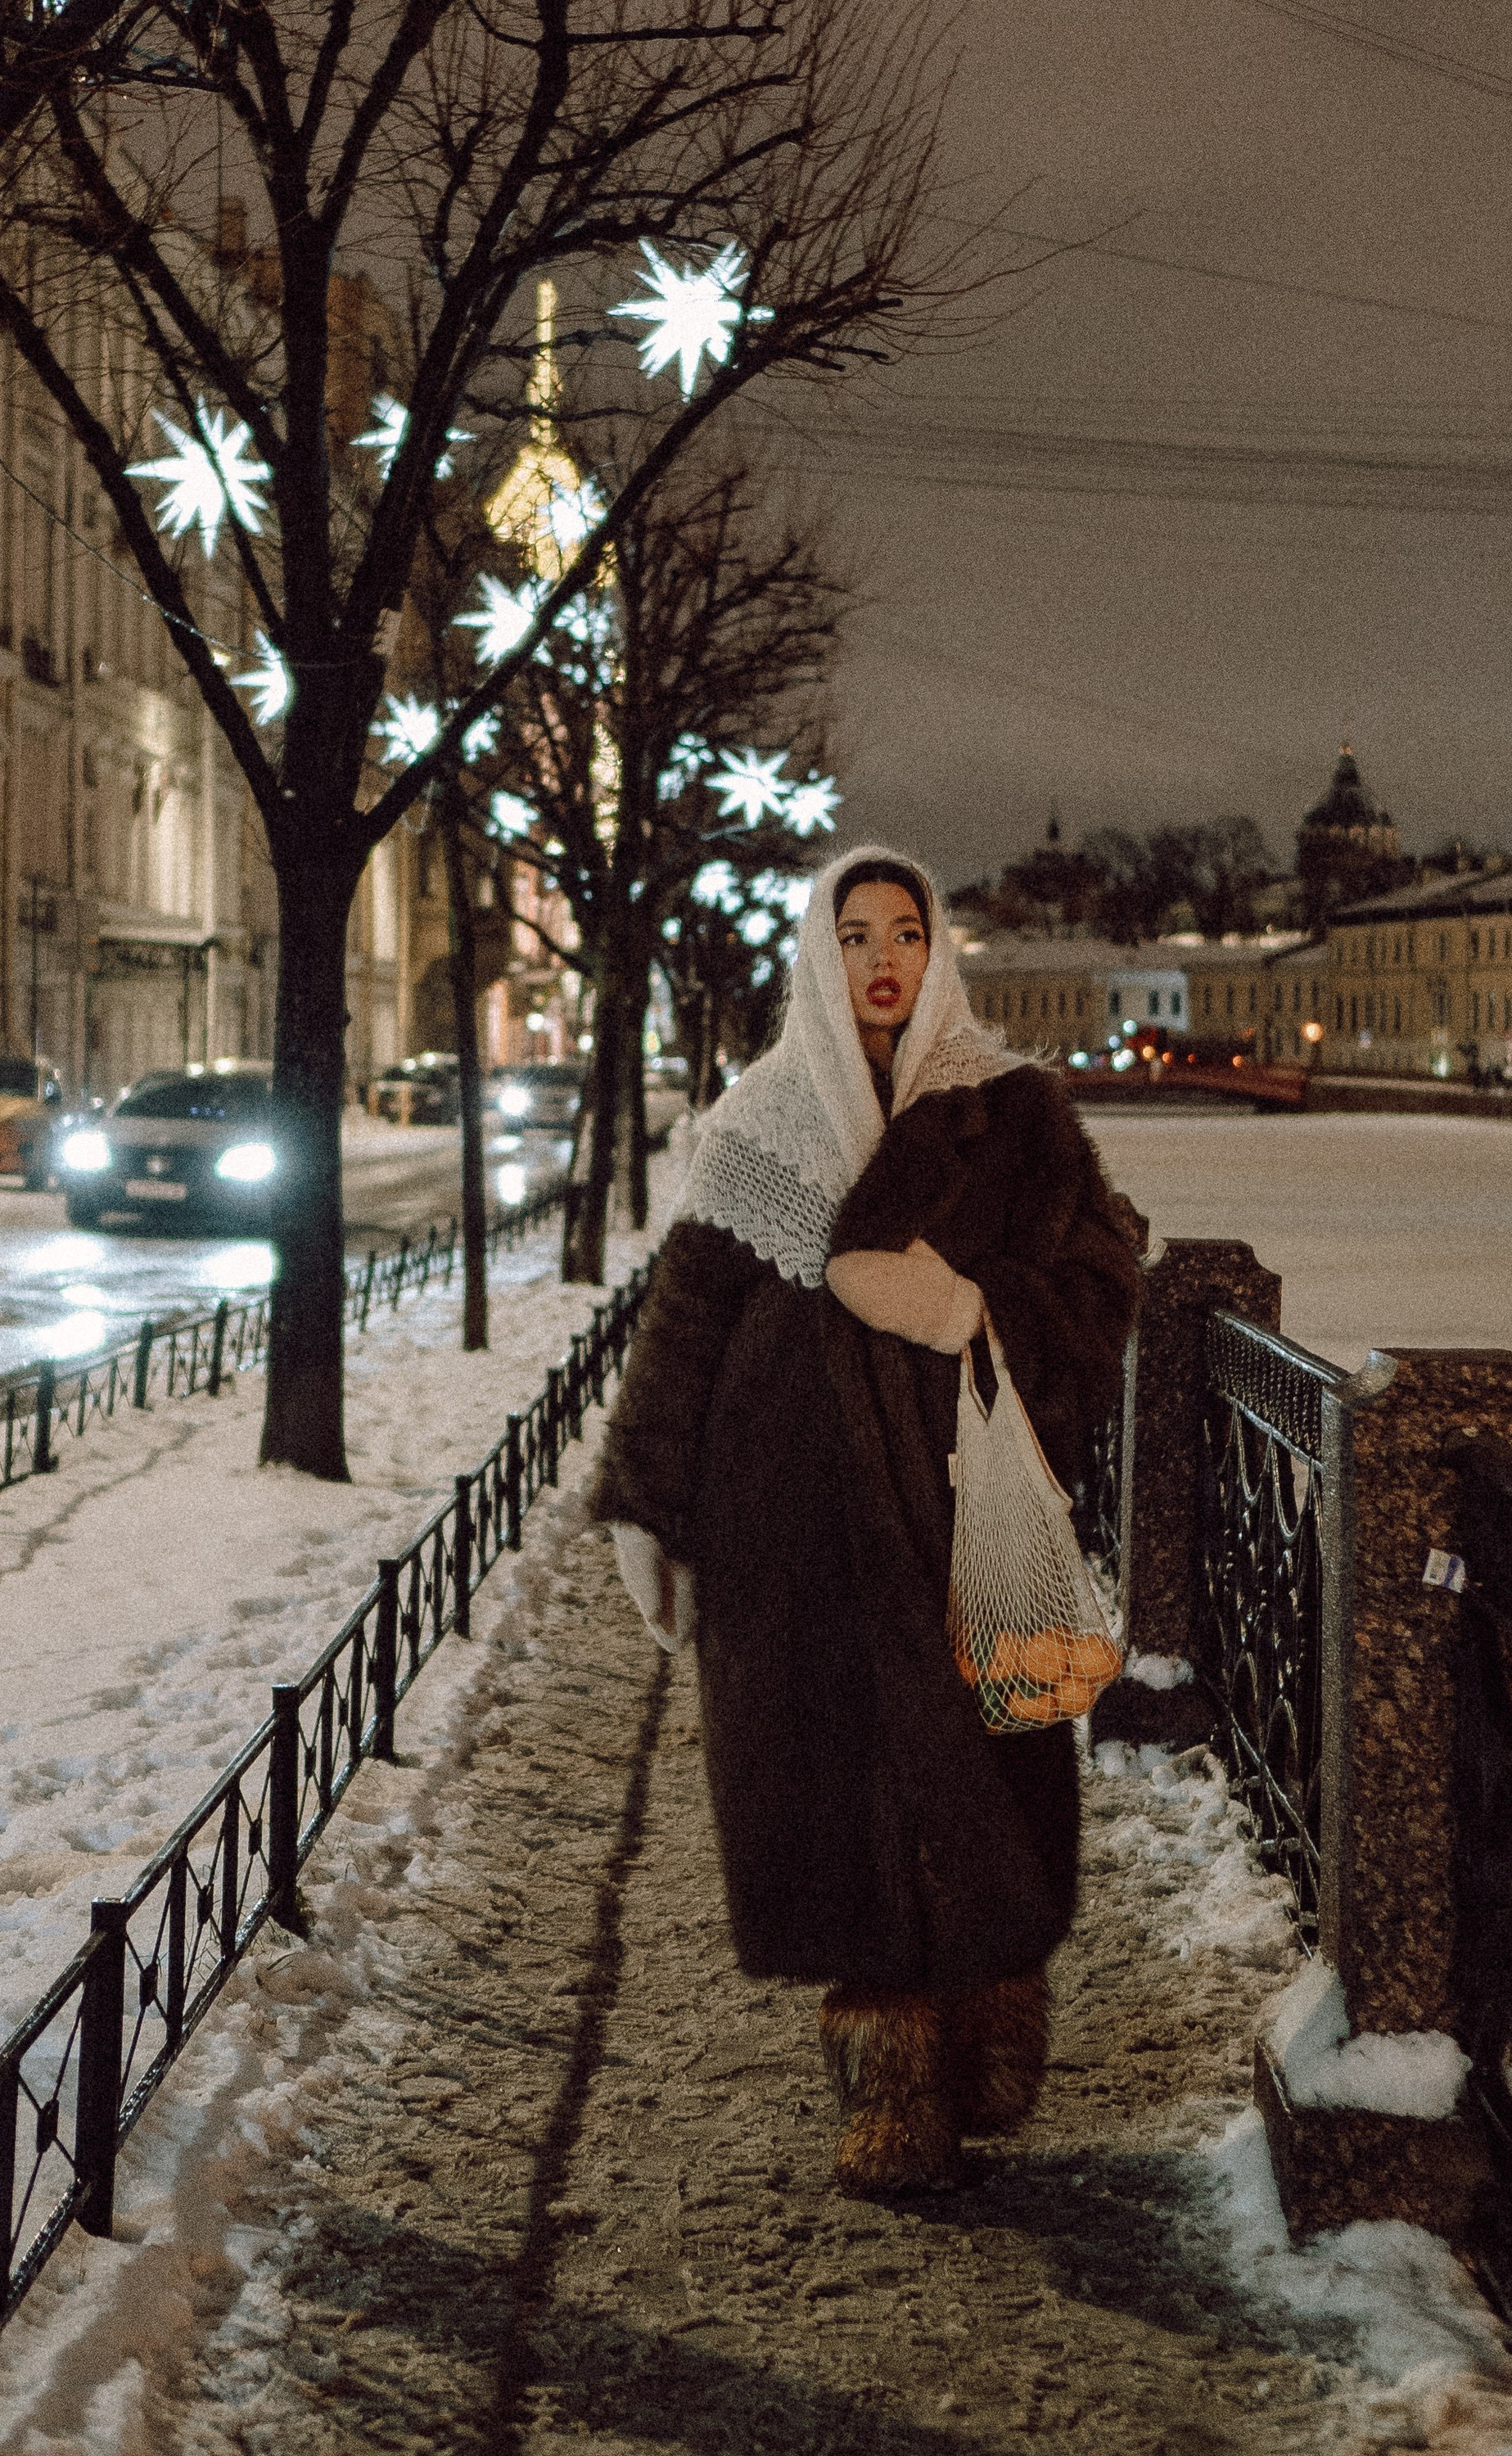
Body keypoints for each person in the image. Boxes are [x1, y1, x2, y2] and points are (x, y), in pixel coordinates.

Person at [592, 843, 1141, 2197]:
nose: (884, 959)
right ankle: (885, 2076)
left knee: (986, 1766)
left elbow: (1106, 1273)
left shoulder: (1014, 1113)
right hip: (789, 1514)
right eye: (855, 934)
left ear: (941, 948)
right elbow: (689, 1326)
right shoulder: (757, 1124)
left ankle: (993, 2018)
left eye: (907, 931)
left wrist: (975, 1311)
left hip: (967, 1502)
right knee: (830, 1789)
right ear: (816, 954)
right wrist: (647, 1502)